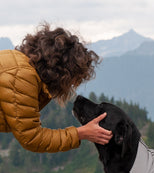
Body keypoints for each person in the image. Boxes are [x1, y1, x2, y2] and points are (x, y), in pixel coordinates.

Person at [0, 23, 112, 153]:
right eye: (74, 79)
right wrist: (80, 133)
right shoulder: (21, 77)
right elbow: (32, 138)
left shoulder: (18, 64)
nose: (72, 86)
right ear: (63, 72)